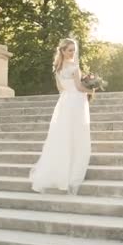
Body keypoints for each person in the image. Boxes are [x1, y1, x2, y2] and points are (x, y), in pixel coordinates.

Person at [29, 38, 95, 195]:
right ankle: (72, 173)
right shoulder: (74, 67)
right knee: (76, 134)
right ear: (63, 51)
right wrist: (91, 90)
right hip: (76, 103)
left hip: (65, 102)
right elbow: (79, 87)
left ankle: (61, 173)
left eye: (74, 49)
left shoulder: (57, 69)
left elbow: (60, 88)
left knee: (64, 135)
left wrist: (71, 94)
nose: (73, 52)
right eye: (70, 50)